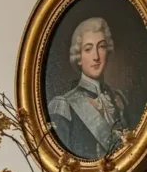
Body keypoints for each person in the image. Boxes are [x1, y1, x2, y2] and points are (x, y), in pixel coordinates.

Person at [48, 17, 131, 160]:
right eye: (88, 49)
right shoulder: (63, 106)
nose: (96, 56)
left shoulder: (118, 99)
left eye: (101, 47)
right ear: (78, 56)